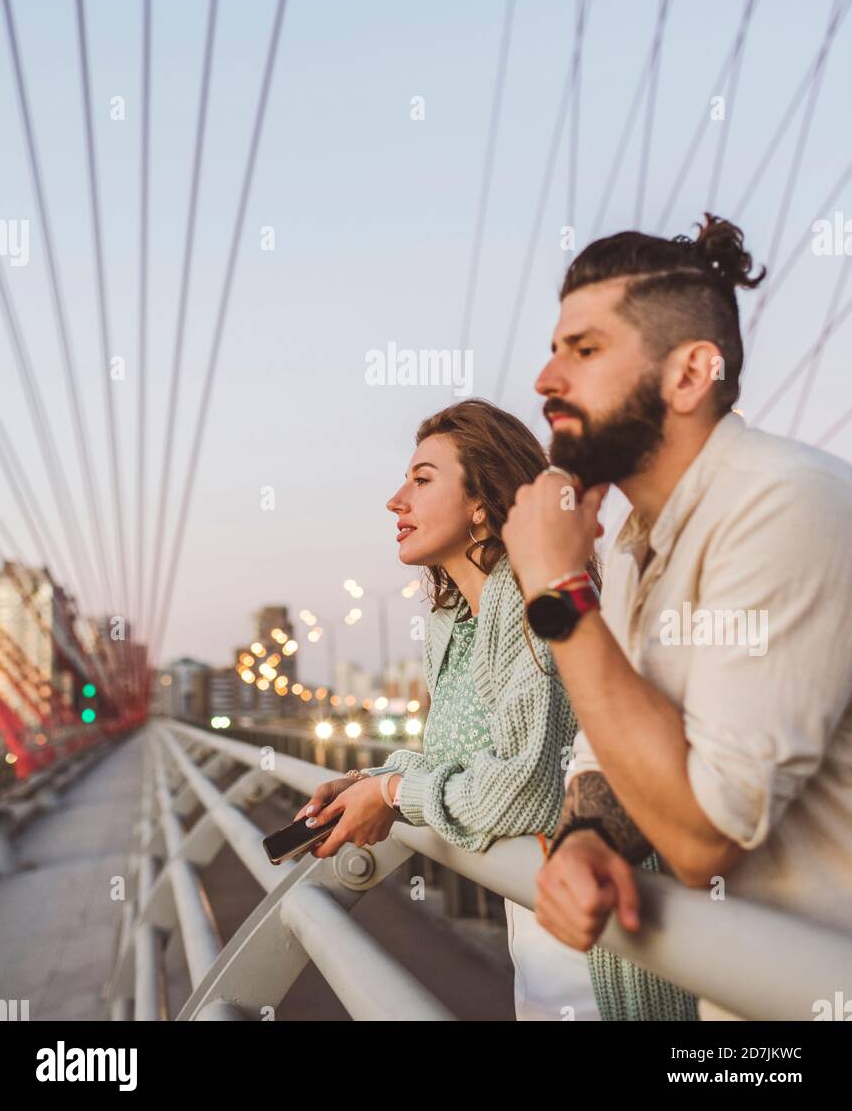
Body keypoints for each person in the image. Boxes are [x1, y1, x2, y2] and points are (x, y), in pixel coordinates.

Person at [501, 213, 852, 1021]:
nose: (547, 379)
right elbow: (606, 761)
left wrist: (556, 583)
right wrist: (589, 840)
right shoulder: (632, 549)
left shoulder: (785, 504)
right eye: (556, 349)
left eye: (584, 351)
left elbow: (703, 840)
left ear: (691, 374)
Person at [295, 398, 605, 1019]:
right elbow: (454, 762)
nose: (396, 500)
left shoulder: (532, 601)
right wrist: (371, 780)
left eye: (422, 479)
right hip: (537, 920)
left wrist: (390, 796)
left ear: (482, 505)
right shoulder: (456, 621)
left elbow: (523, 791)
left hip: (599, 937)